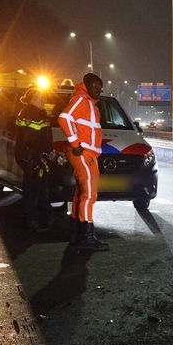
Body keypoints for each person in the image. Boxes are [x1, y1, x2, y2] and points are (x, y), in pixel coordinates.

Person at [58, 73, 108, 251]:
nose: (98, 89)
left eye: (100, 86)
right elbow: (64, 118)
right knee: (89, 195)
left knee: (81, 194)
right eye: (95, 85)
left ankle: (77, 235)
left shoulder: (89, 103)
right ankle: (86, 238)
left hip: (87, 154)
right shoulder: (82, 100)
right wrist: (75, 144)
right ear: (86, 85)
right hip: (83, 154)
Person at [15, 88, 53, 231]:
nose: (44, 100)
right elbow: (30, 138)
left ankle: (42, 219)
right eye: (41, 98)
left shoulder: (36, 113)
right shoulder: (29, 114)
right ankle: (32, 220)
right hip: (32, 158)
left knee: (41, 189)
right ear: (33, 100)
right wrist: (43, 152)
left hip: (37, 157)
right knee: (32, 190)